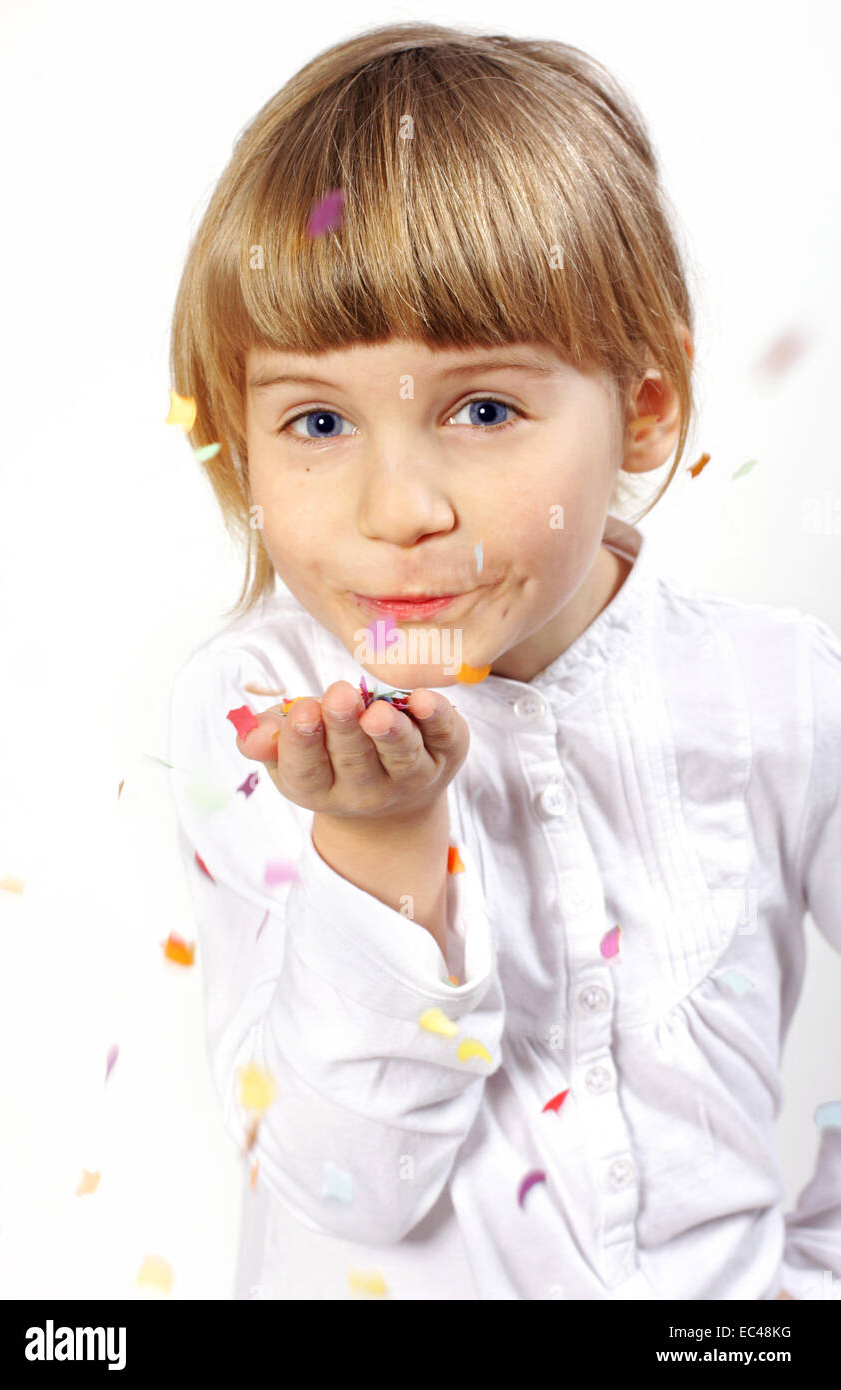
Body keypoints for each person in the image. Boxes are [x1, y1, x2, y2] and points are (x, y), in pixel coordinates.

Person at [166, 22, 839, 1300]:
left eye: (481, 410)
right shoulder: (254, 712)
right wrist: (380, 847)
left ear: (640, 406)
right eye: (316, 419)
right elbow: (340, 1181)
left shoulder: (782, 692)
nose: (398, 507)